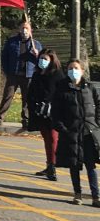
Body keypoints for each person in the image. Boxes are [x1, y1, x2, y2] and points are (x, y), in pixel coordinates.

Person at [52, 59, 100, 206]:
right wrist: (63, 129)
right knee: (74, 165)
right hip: (71, 133)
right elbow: (56, 112)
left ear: (82, 70)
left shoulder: (90, 88)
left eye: (76, 68)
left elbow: (98, 106)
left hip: (88, 133)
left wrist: (97, 124)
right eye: (70, 68)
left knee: (90, 166)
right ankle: (77, 194)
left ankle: (95, 196)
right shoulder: (62, 88)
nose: (73, 71)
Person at [0, 21, 42, 128]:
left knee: (27, 99)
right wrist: (7, 71)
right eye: (22, 28)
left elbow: (42, 61)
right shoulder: (11, 42)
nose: (24, 30)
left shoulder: (36, 44)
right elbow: (4, 57)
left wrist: (37, 55)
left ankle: (26, 120)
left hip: (28, 75)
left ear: (31, 30)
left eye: (26, 28)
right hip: (13, 74)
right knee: (7, 96)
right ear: (19, 29)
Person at [27, 49, 63, 181]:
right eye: (41, 58)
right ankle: (49, 164)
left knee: (53, 139)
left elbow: (61, 94)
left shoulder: (57, 75)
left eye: (46, 59)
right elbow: (31, 93)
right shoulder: (37, 74)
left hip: (53, 113)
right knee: (47, 139)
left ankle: (53, 167)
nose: (42, 61)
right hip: (40, 112)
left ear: (52, 61)